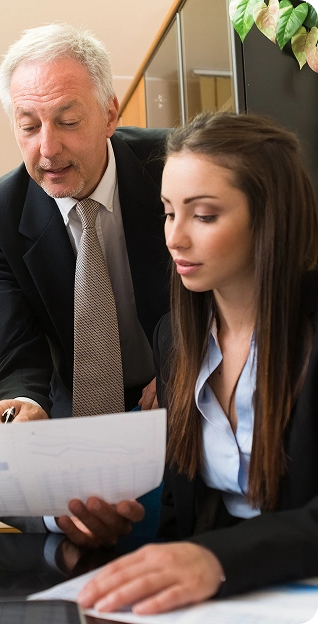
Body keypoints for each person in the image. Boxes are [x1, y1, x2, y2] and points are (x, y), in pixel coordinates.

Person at [78, 111, 318, 615]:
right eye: (169, 212)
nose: (175, 238)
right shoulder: (173, 337)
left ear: (270, 217)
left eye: (204, 215)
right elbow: (181, 507)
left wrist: (215, 559)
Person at [0, 23, 170, 425]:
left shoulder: (175, 164)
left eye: (68, 121)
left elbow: (225, 288)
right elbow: (17, 350)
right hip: (76, 412)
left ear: (109, 115)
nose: (48, 149)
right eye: (28, 127)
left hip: (185, 391)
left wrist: (183, 363)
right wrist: (20, 402)